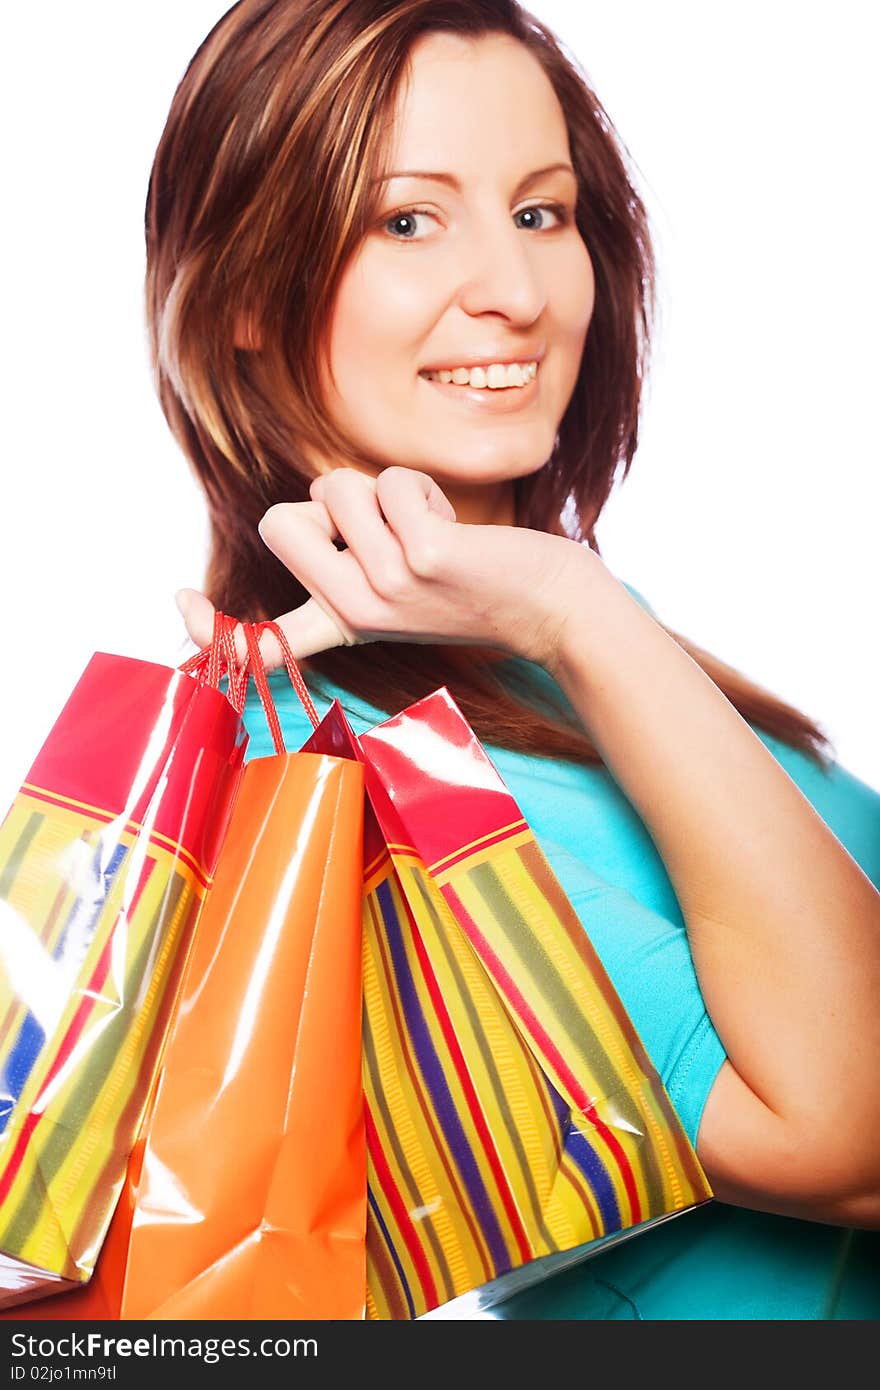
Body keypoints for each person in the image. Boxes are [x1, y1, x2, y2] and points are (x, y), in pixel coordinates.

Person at [152, 0, 880, 1318]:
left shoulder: (584, 641)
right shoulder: (335, 787)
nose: (520, 291)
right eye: (409, 219)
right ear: (248, 293)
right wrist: (572, 603)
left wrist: (579, 613)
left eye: (542, 212)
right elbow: (855, 1136)